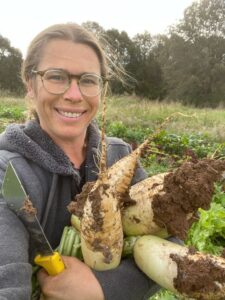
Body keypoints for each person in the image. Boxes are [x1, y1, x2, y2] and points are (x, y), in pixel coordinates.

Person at [0, 23, 160, 300]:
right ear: (30, 84)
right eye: (56, 76)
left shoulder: (121, 157)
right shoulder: (7, 172)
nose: (74, 95)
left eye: (87, 80)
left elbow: (170, 243)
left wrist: (103, 289)